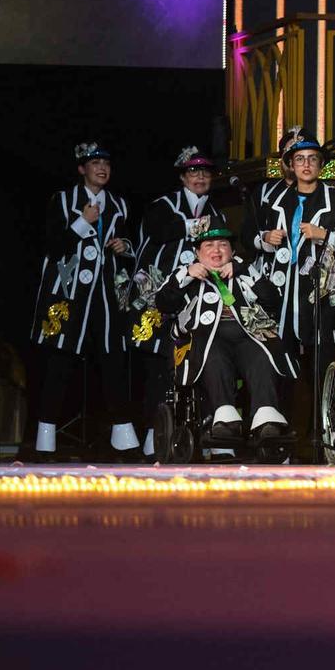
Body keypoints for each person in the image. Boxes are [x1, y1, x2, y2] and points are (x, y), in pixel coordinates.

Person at [27, 141, 141, 463]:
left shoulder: (119, 204)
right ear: (82, 169)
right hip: (68, 293)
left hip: (106, 295)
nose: (102, 169)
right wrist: (82, 222)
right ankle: (44, 441)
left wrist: (124, 246)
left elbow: (129, 243)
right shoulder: (63, 200)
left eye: (106, 164)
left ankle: (124, 438)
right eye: (95, 164)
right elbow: (52, 245)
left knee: (114, 359)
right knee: (59, 361)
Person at [165, 225, 290, 451]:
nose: (217, 250)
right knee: (213, 355)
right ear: (197, 253)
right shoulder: (185, 274)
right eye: (209, 245)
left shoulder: (244, 272)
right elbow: (163, 303)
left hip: (248, 337)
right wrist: (187, 274)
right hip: (207, 339)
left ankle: (266, 420)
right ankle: (224, 419)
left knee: (262, 355)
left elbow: (272, 300)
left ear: (232, 251)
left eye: (223, 245)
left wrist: (244, 270)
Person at [245, 129, 335, 391]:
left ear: (321, 165)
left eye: (312, 158)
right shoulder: (274, 199)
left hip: (318, 292)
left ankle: (323, 412)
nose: (306, 164)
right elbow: (251, 237)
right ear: (291, 165)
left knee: (321, 360)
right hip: (280, 291)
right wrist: (266, 238)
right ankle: (280, 412)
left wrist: (324, 235)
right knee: (279, 358)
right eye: (300, 159)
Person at [134, 145, 220, 459]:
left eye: (205, 171)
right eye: (193, 171)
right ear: (182, 177)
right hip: (161, 298)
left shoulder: (218, 213)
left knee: (199, 360)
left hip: (197, 300)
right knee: (158, 366)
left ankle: (204, 435)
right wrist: (193, 227)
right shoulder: (162, 206)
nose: (200, 177)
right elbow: (158, 232)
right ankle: (153, 435)